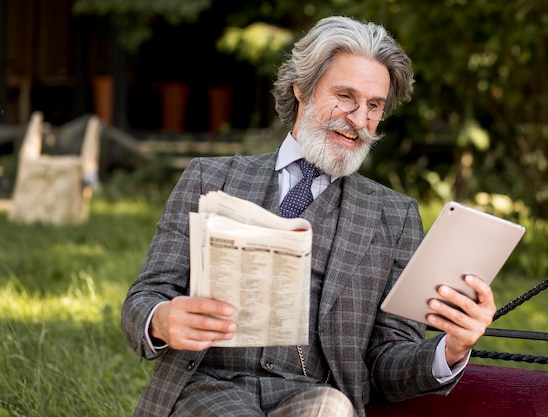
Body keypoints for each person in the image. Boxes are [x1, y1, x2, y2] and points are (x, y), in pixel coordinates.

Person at [121, 15, 496, 417]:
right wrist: (162, 319)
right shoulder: (209, 177)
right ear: (301, 87)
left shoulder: (395, 216)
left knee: (331, 409)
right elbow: (145, 298)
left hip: (315, 395)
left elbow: (388, 361)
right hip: (207, 388)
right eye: (345, 96)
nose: (358, 120)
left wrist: (452, 347)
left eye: (374, 106)